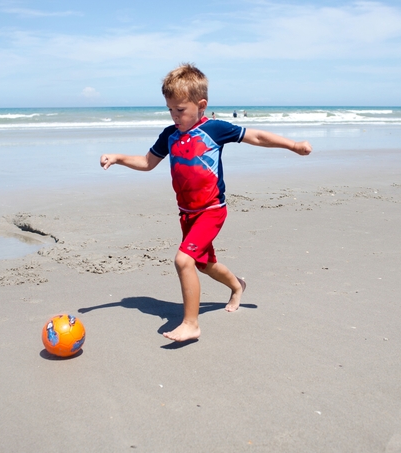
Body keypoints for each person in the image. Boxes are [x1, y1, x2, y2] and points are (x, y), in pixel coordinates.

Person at [99, 63, 312, 342]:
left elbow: (256, 136)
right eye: (170, 110)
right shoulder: (170, 135)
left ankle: (191, 323)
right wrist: (118, 157)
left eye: (181, 110)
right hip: (187, 214)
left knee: (183, 260)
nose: (175, 116)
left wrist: (293, 145)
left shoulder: (214, 129)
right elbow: (147, 162)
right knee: (203, 264)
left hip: (211, 211)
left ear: (201, 105)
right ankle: (238, 286)